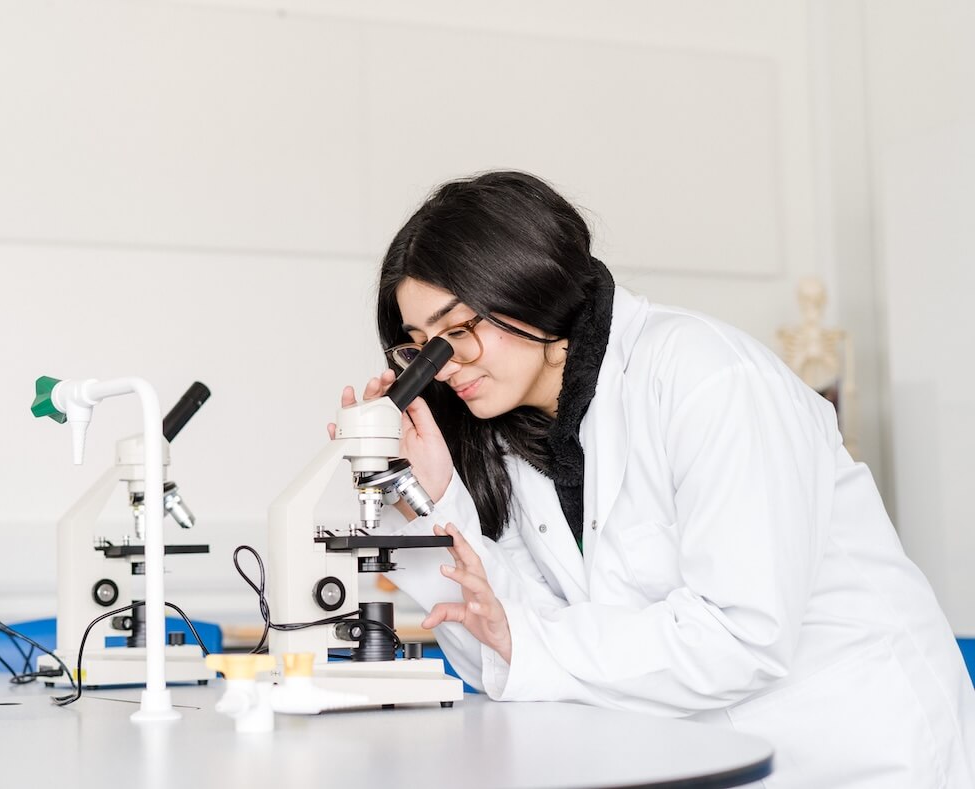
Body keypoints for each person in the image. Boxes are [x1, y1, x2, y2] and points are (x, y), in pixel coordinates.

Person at [346, 171, 975, 788]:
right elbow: (503, 648)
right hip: (696, 753)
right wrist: (425, 499)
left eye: (458, 331)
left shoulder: (708, 378)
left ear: (530, 286)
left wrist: (525, 640)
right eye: (421, 344)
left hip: (858, 751)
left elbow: (739, 637)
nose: (444, 365)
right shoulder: (518, 438)